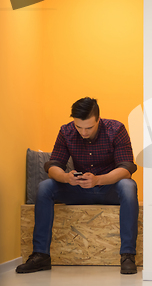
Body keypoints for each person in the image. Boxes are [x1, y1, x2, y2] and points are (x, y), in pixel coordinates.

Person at [16, 98, 139, 274]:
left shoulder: (116, 129)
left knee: (128, 186)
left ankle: (128, 255)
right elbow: (53, 166)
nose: (83, 132)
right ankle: (40, 255)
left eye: (89, 128)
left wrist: (98, 180)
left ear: (98, 119)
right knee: (45, 187)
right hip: (78, 188)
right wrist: (66, 177)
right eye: (78, 127)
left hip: (108, 188)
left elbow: (126, 168)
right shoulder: (66, 131)